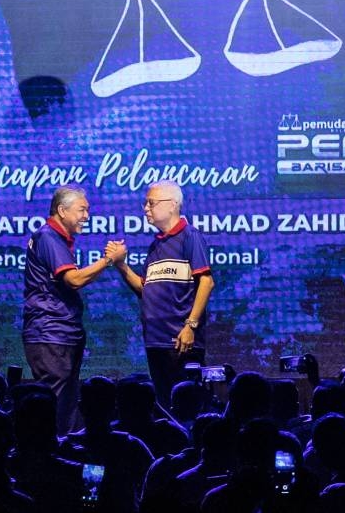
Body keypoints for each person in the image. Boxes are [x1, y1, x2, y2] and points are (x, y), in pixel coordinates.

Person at [22, 185, 123, 434]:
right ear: (61, 210)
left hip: (62, 331)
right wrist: (109, 259)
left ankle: (59, 453)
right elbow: (74, 280)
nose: (87, 216)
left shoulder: (57, 239)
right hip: (50, 332)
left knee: (65, 403)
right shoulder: (48, 236)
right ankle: (40, 458)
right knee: (52, 402)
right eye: (82, 210)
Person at [110, 180, 214, 408]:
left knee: (187, 407)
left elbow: (206, 281)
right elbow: (144, 289)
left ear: (172, 205)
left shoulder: (189, 236)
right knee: (165, 405)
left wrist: (190, 326)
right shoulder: (156, 245)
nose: (145, 208)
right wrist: (121, 265)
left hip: (180, 342)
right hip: (155, 341)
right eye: (145, 203)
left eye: (151, 203)